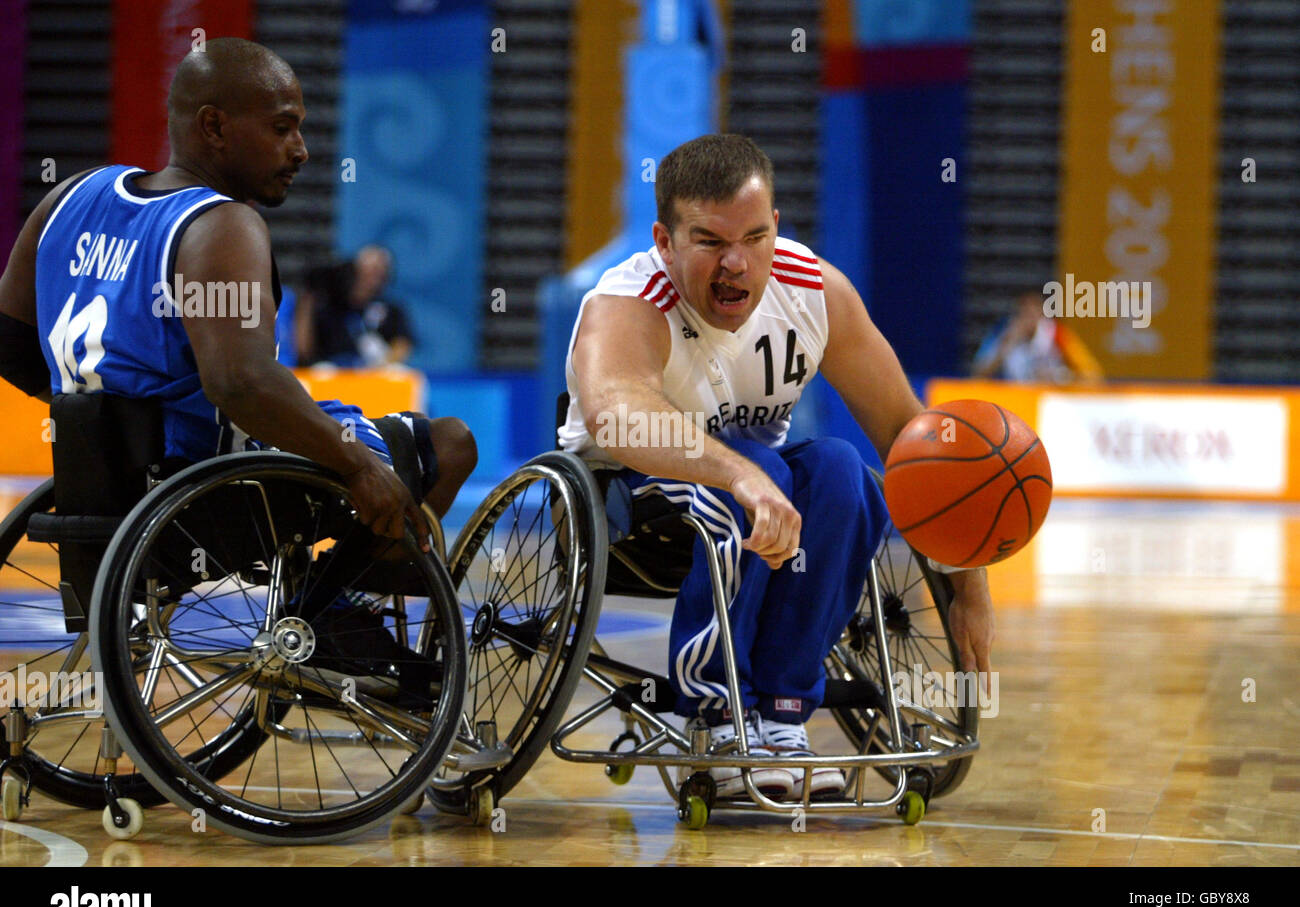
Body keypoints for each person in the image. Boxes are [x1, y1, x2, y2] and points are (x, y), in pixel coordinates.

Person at [0, 38, 476, 693]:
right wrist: (360, 468)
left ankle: (334, 609)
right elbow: (240, 384)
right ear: (215, 127)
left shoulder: (72, 198)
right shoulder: (219, 224)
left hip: (104, 491)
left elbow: (10, 342)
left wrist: (100, 423)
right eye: (282, 128)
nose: (302, 150)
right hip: (216, 492)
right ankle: (329, 619)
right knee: (446, 444)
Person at [559, 133, 996, 800]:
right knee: (759, 471)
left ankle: (781, 718)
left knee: (844, 471)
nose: (736, 263)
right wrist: (740, 473)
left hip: (767, 497)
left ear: (776, 229)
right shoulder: (627, 301)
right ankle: (714, 717)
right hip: (626, 502)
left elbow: (908, 438)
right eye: (709, 241)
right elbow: (619, 415)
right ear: (665, 239)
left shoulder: (812, 291)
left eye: (754, 237)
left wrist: (970, 580)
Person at [295, 245, 414, 368]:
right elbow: (304, 350)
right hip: (334, 373)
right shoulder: (329, 306)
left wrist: (383, 364)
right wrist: (307, 298)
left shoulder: (391, 308)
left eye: (379, 271)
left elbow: (402, 344)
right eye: (369, 270)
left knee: (397, 371)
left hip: (374, 372)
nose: (372, 277)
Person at [972, 290, 1104, 383]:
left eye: (1033, 313)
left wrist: (1060, 377)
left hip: (1050, 398)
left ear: (1042, 314)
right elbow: (978, 375)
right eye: (1024, 313)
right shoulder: (1004, 333)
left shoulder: (1056, 332)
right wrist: (1004, 348)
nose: (1029, 319)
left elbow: (1092, 374)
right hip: (1015, 399)